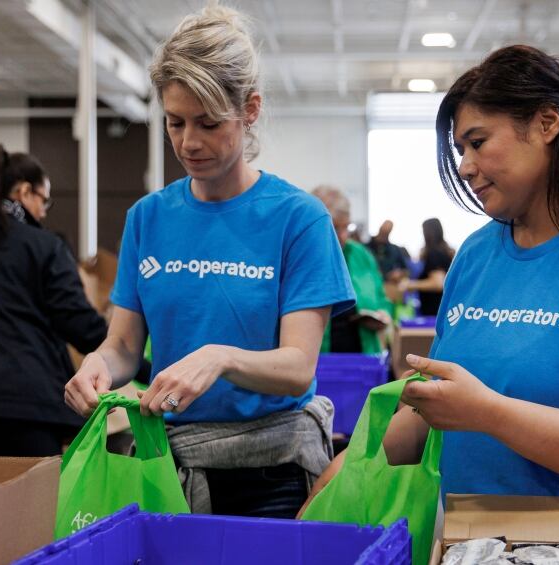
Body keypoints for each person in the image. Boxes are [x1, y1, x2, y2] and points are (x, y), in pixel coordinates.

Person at [302, 45, 559, 562]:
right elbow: (439, 402)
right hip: (486, 543)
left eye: (478, 142)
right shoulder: (477, 255)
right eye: (460, 150)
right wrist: (349, 468)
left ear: (546, 123)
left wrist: (490, 413)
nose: (466, 167)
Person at [64, 4, 355, 519]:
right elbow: (126, 345)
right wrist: (97, 366)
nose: (188, 141)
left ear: (251, 109)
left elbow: (297, 367)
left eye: (208, 122)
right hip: (171, 467)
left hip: (274, 473)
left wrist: (222, 357)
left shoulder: (298, 219)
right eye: (175, 122)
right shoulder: (148, 218)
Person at [0, 144, 107, 456]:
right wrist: (140, 365)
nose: (44, 212)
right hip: (24, 409)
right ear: (23, 191)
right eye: (43, 201)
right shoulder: (43, 245)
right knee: (28, 504)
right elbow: (79, 324)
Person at [312, 185, 392, 354]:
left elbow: (381, 297)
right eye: (333, 227)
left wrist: (382, 314)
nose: (342, 236)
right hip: (319, 359)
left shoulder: (360, 254)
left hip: (361, 355)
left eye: (346, 227)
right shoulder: (301, 256)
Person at [400, 218, 454, 316]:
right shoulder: (445, 251)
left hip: (435, 311)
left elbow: (438, 283)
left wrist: (411, 284)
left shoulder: (434, 253)